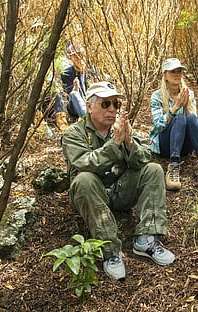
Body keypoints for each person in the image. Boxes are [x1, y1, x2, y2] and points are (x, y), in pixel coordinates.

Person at [62, 81, 175, 281]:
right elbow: (84, 164)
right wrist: (114, 144)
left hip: (119, 191)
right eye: (106, 104)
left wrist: (129, 142)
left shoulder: (121, 128)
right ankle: (110, 250)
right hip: (92, 195)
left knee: (154, 170)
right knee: (84, 179)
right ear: (89, 106)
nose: (112, 109)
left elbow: (144, 159)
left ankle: (147, 239)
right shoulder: (74, 133)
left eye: (116, 104)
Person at [149, 58, 198, 191]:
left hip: (184, 145)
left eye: (179, 71)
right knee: (179, 118)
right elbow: (158, 126)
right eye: (172, 71)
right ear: (165, 75)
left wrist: (186, 106)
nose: (177, 74)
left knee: (191, 117)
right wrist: (175, 108)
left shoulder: (188, 93)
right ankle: (173, 166)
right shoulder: (157, 97)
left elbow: (193, 124)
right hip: (165, 145)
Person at [53, 42, 88, 132]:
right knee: (74, 94)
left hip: (92, 103)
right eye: (75, 56)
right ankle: (87, 119)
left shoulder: (91, 71)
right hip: (75, 106)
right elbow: (70, 95)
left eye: (80, 55)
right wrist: (76, 88)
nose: (78, 58)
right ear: (70, 58)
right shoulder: (67, 73)